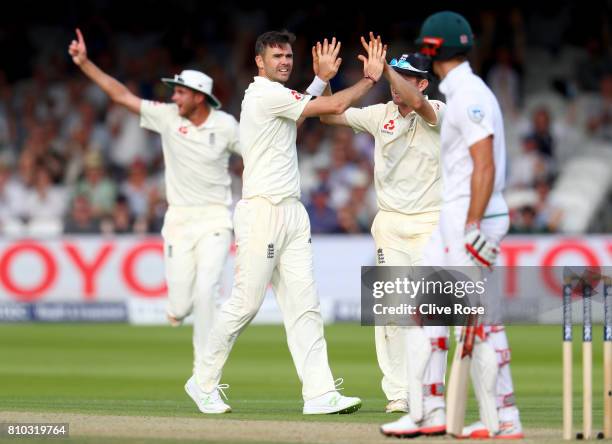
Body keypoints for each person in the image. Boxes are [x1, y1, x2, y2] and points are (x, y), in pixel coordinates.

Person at [188, 30, 385, 415]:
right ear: (259, 62)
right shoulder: (262, 94)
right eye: (276, 56)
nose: (284, 61)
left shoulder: (279, 101)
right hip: (263, 211)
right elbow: (331, 108)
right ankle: (203, 380)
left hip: (292, 211)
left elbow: (296, 117)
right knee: (246, 303)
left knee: (304, 306)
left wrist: (320, 78)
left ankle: (320, 393)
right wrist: (370, 79)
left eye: (289, 56)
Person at [68, 28, 241, 393]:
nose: (173, 96)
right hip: (179, 220)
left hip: (215, 217)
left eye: (179, 91)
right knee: (180, 304)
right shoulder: (167, 117)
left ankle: (204, 378)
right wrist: (85, 64)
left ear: (198, 96)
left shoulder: (226, 126)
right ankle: (177, 311)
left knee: (208, 289)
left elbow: (256, 157)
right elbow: (120, 95)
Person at [381, 11, 523, 439]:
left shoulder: (470, 95)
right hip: (455, 213)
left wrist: (474, 224)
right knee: (423, 310)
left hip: (470, 215)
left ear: (431, 49)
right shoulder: (457, 90)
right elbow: (419, 102)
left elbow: (485, 163)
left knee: (479, 321)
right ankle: (430, 410)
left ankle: (504, 420)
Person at [319, 47, 446, 432]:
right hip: (390, 223)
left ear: (422, 83)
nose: (397, 86)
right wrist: (324, 78)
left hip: (430, 223)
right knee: (390, 313)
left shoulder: (438, 112)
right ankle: (398, 393)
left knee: (430, 313)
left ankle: (430, 391)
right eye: (397, 77)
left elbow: (416, 102)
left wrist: (386, 69)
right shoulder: (381, 115)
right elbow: (326, 114)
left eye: (408, 77)